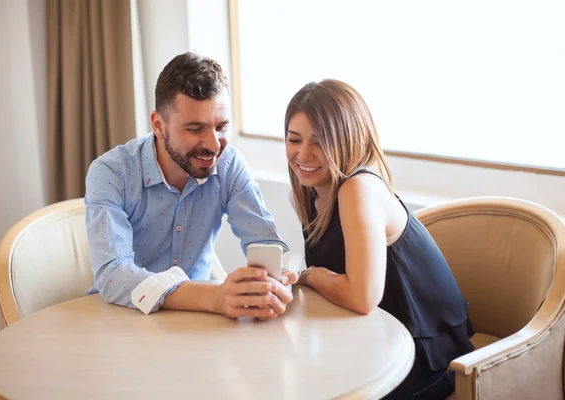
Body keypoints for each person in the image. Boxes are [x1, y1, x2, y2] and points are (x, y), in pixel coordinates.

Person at [285, 79, 474, 399]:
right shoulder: (303, 195)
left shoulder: (359, 189)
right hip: (373, 343)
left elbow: (361, 296)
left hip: (425, 357)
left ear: (346, 140)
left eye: (319, 142)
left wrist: (310, 275)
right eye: (294, 139)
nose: (303, 154)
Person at [84, 52, 298, 318]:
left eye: (221, 127)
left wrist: (277, 278)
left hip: (198, 324)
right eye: (195, 129)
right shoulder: (111, 172)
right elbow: (113, 274)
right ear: (159, 125)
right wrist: (213, 297)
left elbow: (267, 245)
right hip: (124, 318)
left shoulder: (228, 164)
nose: (213, 144)